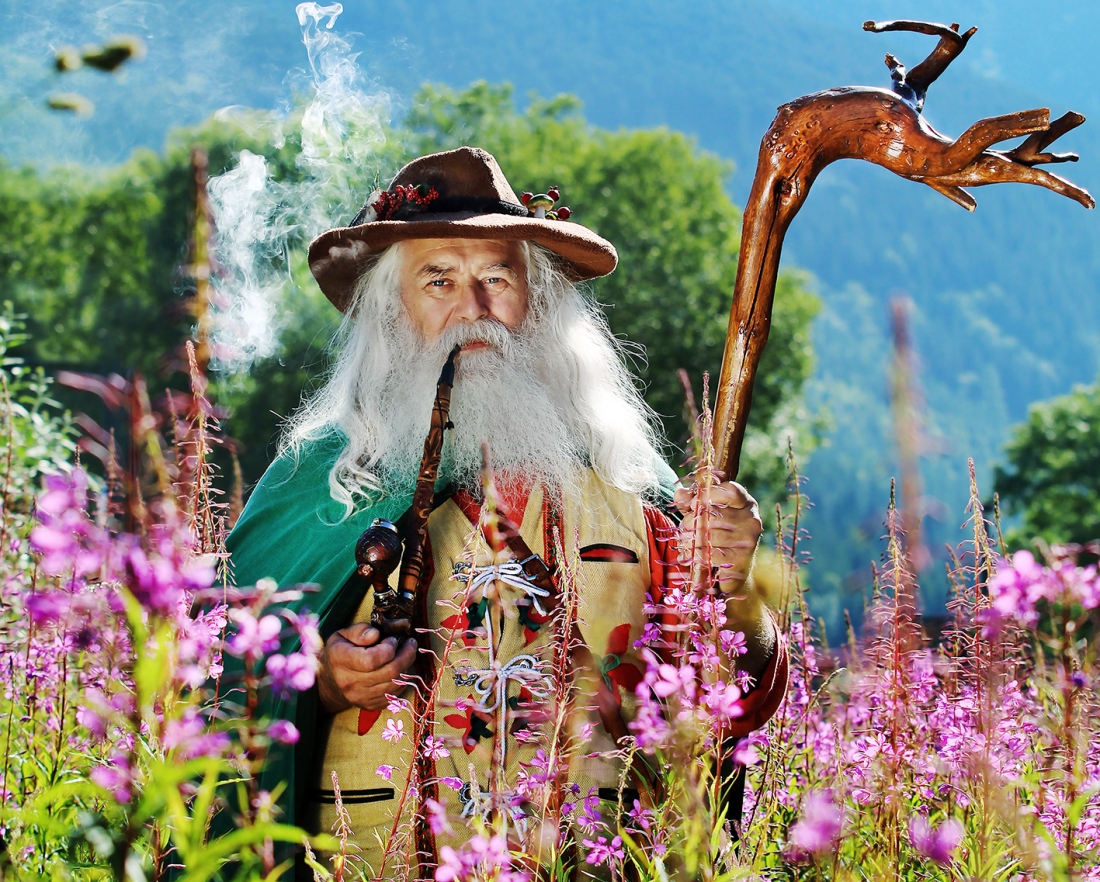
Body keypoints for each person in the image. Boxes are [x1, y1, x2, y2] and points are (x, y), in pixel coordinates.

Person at [226, 146, 788, 874]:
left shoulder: (629, 485)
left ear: (540, 301)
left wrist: (733, 592)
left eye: (497, 277)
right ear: (392, 312)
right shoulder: (323, 483)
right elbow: (216, 680)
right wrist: (324, 680)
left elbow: (730, 699)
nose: (473, 308)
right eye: (439, 280)